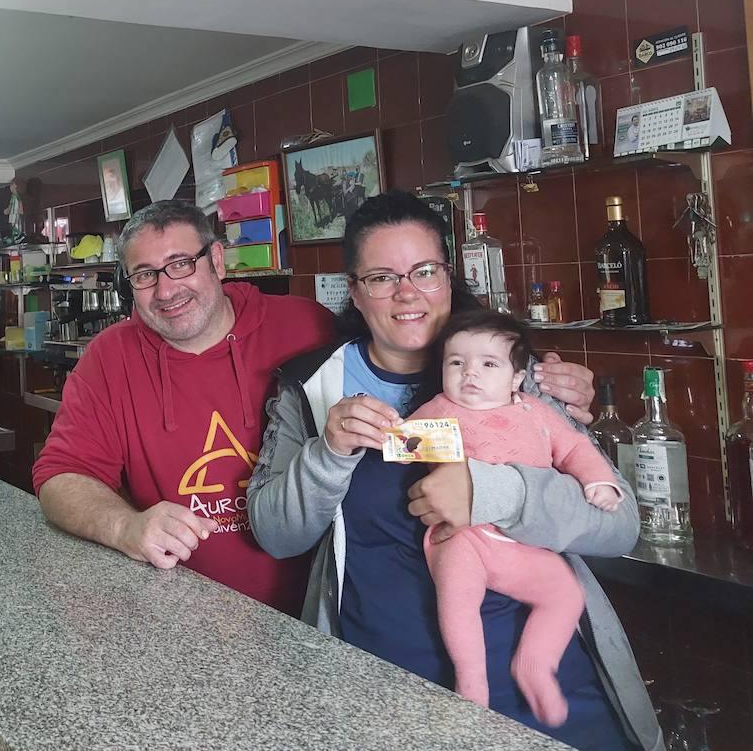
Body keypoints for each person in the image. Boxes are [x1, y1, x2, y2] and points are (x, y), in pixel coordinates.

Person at [247, 191, 660, 750]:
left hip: (541, 683)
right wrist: (329, 452)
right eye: (381, 277)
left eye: (425, 270)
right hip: (384, 691)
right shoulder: (310, 387)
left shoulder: (511, 373)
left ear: (449, 275)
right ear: (354, 291)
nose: (407, 292)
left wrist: (495, 492)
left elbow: (619, 525)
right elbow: (275, 534)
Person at [32, 199, 336, 615]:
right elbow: (59, 478)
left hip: (312, 619)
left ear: (216, 260)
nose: (166, 290)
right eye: (145, 275)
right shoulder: (110, 358)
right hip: (178, 619)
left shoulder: (307, 327)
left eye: (180, 264)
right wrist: (126, 527)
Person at [406, 309, 622, 727]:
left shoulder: (537, 413)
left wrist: (598, 482)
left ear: (517, 377)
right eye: (456, 363)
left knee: (564, 593)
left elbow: (575, 449)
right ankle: (471, 682)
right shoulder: (440, 409)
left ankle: (536, 665)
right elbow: (401, 442)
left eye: (488, 364)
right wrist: (375, 429)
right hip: (461, 537)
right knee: (457, 597)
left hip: (520, 543)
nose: (470, 374)